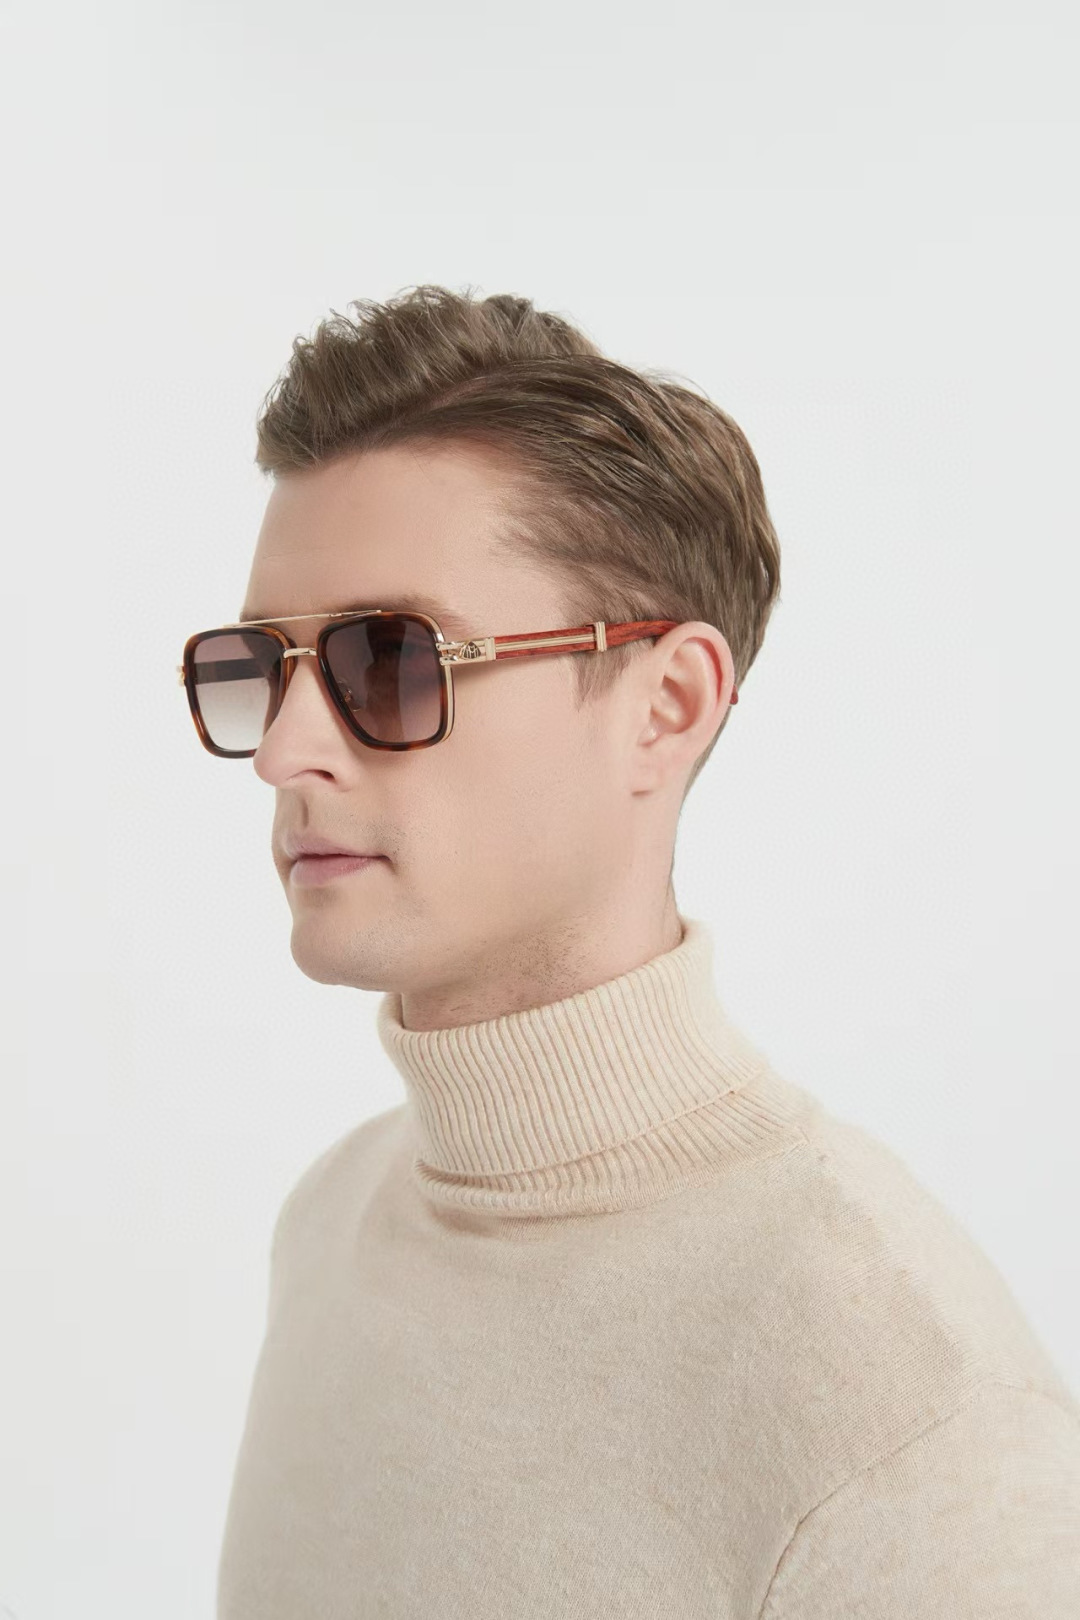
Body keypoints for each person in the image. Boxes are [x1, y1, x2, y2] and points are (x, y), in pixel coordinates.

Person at [185, 285, 1080, 1617]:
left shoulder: (908, 1409)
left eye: (389, 661)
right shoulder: (332, 1222)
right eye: (264, 663)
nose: (282, 750)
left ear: (666, 705)